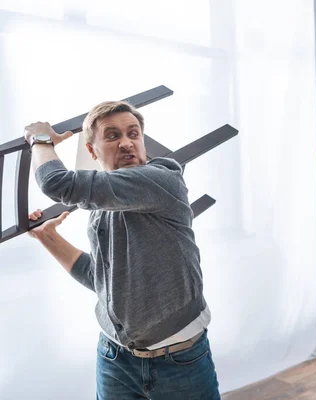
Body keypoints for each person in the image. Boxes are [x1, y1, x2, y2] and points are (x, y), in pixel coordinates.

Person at [24, 101, 220, 400]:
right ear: (92, 151)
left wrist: (40, 139)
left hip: (179, 360)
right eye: (112, 136)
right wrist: (49, 238)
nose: (127, 142)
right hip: (114, 358)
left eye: (134, 133)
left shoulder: (161, 179)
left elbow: (56, 183)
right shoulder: (104, 209)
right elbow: (101, 279)